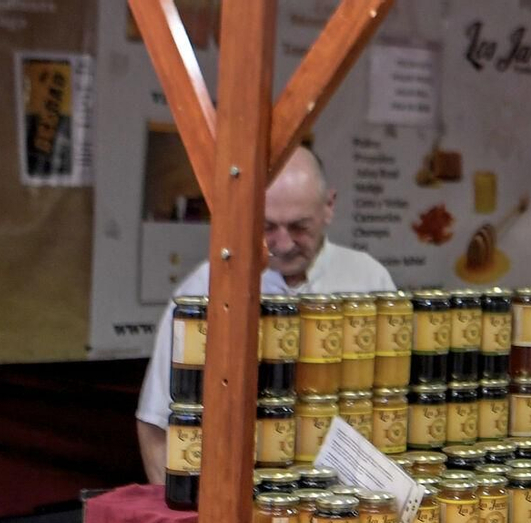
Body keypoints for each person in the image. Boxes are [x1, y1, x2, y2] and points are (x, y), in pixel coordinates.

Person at [135, 146, 394, 483]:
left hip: (342, 504)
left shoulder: (368, 280)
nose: (283, 244)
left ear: (329, 206)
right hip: (238, 498)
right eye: (268, 227)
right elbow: (157, 424)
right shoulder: (207, 286)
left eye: (300, 227)